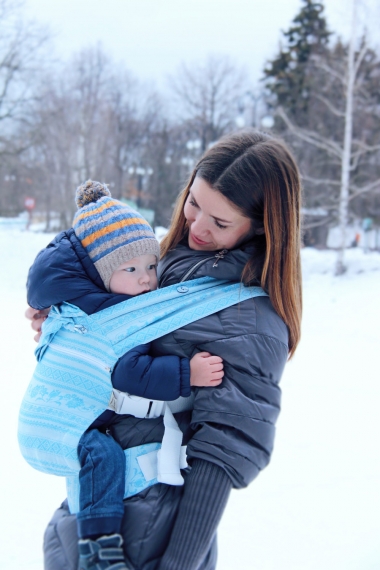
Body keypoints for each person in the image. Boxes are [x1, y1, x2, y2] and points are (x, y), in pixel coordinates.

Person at [27, 129, 302, 570]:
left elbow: (222, 452)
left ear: (264, 226)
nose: (197, 226)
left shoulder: (250, 319)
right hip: (93, 508)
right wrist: (68, 328)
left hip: (146, 538)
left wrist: (178, 563)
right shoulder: (162, 267)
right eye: (194, 203)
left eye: (221, 222)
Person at [25, 180, 224, 570]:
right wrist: (188, 373)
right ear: (102, 276)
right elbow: (131, 372)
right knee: (105, 459)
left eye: (151, 266)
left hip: (85, 416)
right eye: (130, 269)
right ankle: (99, 545)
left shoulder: (111, 301)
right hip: (73, 421)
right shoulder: (114, 317)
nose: (147, 278)